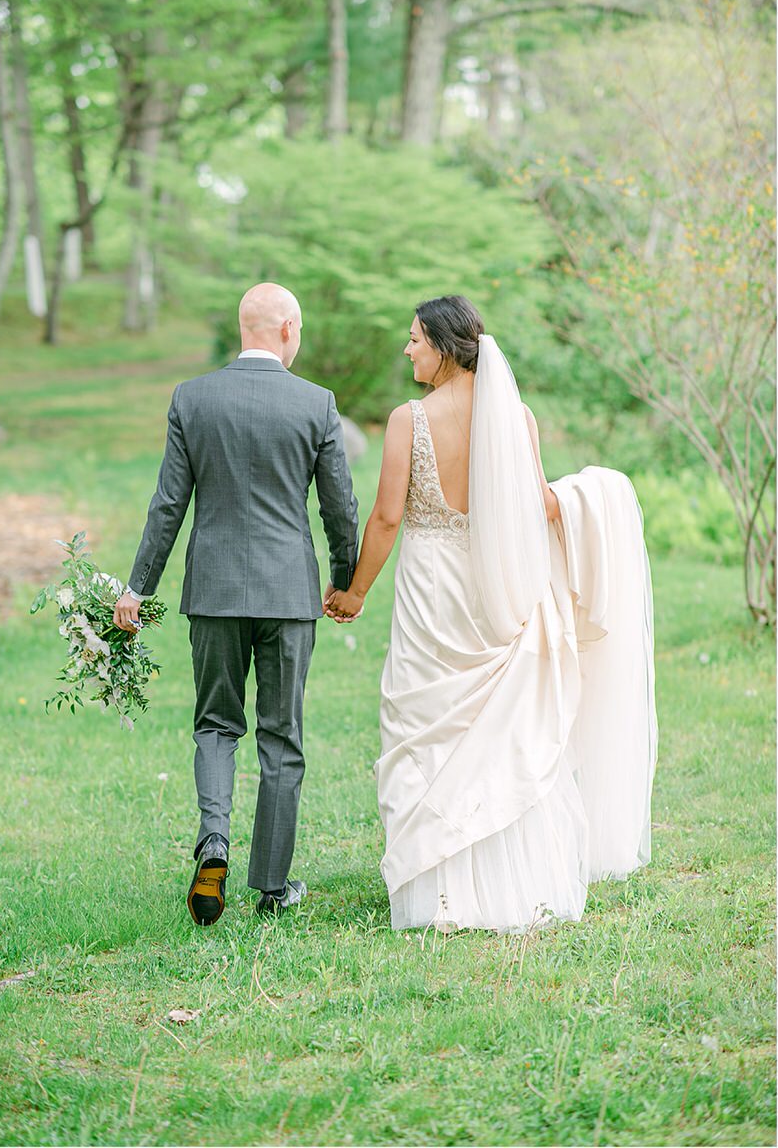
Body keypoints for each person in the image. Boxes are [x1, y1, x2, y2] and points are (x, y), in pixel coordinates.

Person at [325, 295, 657, 934]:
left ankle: (437, 895)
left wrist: (356, 591)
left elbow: (388, 517)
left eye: (416, 338)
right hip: (493, 585)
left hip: (431, 591)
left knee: (426, 723)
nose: (407, 349)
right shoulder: (517, 417)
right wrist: (592, 499)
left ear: (445, 347)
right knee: (500, 731)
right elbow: (537, 505)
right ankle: (518, 886)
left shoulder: (408, 420)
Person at [113, 283, 359, 926]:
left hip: (215, 593)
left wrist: (137, 588)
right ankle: (272, 886)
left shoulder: (193, 398)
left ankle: (214, 841)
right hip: (288, 594)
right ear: (288, 330)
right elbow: (339, 506)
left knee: (217, 725)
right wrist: (344, 581)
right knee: (282, 736)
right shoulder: (317, 404)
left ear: (243, 327)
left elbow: (169, 504)